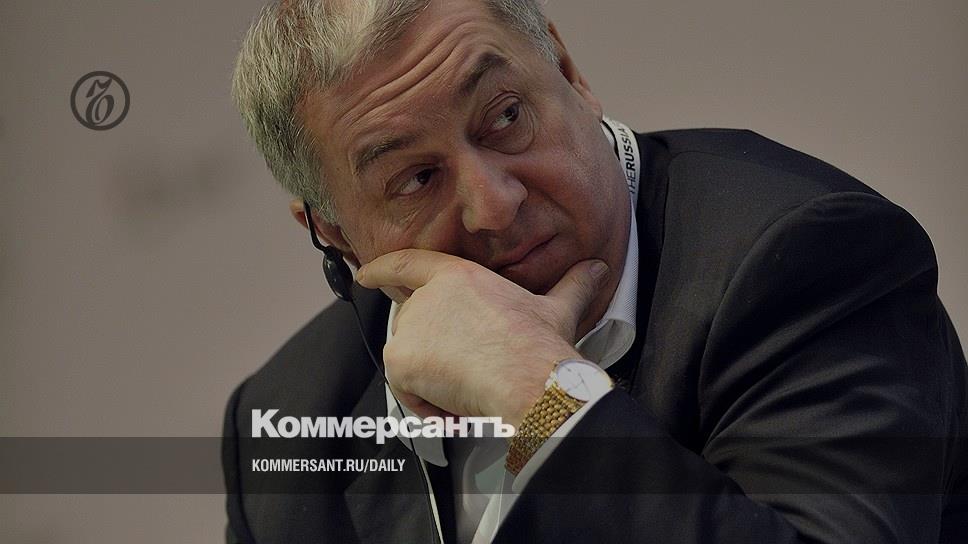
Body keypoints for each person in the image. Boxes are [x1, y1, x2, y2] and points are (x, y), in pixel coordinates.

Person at [222, 0, 968, 542]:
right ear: (335, 235)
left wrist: (544, 398)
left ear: (568, 73)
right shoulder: (288, 421)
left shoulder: (803, 261)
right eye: (417, 179)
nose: (495, 204)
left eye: (505, 117)